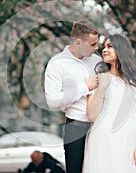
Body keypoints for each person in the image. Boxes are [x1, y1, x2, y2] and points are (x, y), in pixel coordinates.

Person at [83, 34, 136, 172]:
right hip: (103, 136)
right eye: (104, 47)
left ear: (121, 50)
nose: (104, 50)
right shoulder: (97, 80)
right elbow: (91, 116)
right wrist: (101, 87)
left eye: (109, 46)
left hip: (129, 136)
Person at [44, 20, 102, 173]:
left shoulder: (97, 61)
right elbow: (52, 101)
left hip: (101, 124)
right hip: (76, 126)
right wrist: (84, 87)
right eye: (92, 44)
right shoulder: (57, 64)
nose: (97, 48)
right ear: (78, 42)